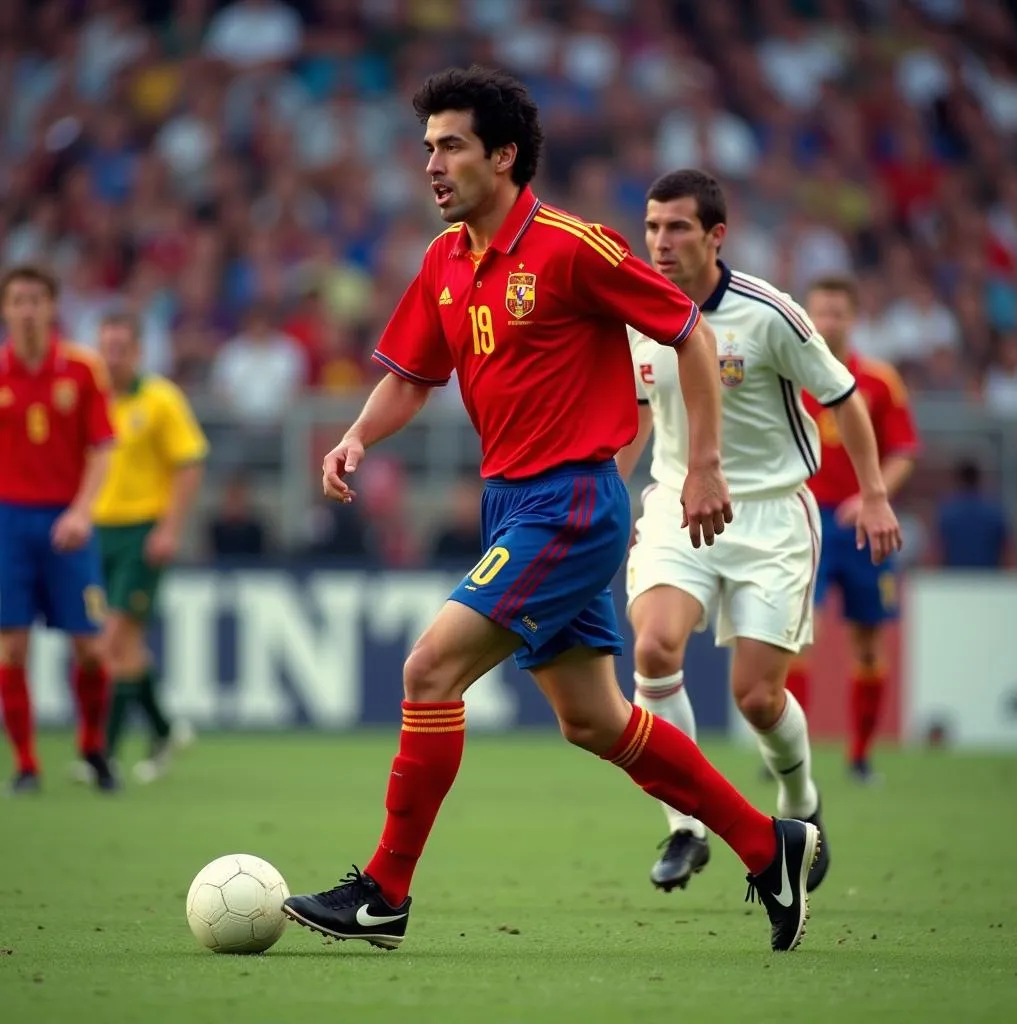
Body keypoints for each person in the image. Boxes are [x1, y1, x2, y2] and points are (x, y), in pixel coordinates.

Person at [281, 66, 821, 955]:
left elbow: (690, 330)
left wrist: (703, 467)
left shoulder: (575, 247)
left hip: (568, 502)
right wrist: (354, 438)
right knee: (594, 721)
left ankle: (385, 891)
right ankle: (771, 845)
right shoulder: (443, 260)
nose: (432, 165)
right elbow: (413, 377)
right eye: (426, 148)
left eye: (450, 146)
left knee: (428, 672)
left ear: (503, 155)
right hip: (512, 503)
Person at [616, 171, 902, 895]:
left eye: (677, 228)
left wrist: (872, 495)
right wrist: (605, 491)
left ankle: (801, 804)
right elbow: (638, 409)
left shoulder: (771, 314)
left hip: (773, 515)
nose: (660, 242)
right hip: (677, 505)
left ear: (716, 235)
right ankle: (686, 826)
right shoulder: (637, 314)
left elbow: (845, 396)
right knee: (652, 647)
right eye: (652, 227)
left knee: (757, 699)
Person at [786, 278, 918, 783]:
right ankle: (792, 756)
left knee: (867, 641)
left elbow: (905, 450)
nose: (827, 323)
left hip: (865, 526)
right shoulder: (788, 372)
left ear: (854, 318)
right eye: (820, 313)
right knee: (798, 638)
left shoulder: (880, 380)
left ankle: (860, 756)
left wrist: (872, 494)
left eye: (838, 314)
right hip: (804, 522)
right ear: (806, 316)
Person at [0, 264, 117, 793]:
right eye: (17, 300)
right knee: (11, 647)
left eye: (35, 299)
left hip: (68, 521)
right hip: (8, 522)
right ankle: (26, 763)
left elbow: (103, 447)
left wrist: (82, 511)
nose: (26, 309)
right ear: (6, 309)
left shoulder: (82, 368)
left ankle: (92, 745)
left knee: (91, 647)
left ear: (52, 308)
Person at [89, 312, 207, 783]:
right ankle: (164, 730)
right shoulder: (90, 399)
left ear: (137, 351)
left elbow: (190, 461)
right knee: (129, 648)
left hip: (141, 532)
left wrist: (169, 528)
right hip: (97, 532)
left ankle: (101, 752)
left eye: (121, 348)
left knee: (110, 643)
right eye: (106, 348)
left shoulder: (160, 399)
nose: (112, 358)